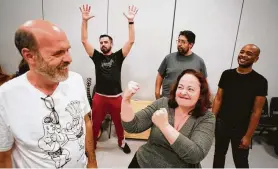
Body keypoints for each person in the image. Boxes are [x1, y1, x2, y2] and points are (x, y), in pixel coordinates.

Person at [0, 19, 97, 168]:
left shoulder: (75, 80)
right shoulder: (6, 96)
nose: (69, 59)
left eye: (67, 50)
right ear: (30, 56)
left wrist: (91, 162)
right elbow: (3, 155)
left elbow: (86, 122)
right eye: (58, 53)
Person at [121, 69, 215, 168]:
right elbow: (132, 126)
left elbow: (195, 155)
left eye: (190, 89)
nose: (183, 92)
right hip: (144, 163)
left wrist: (165, 126)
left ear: (200, 94)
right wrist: (126, 100)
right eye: (180, 87)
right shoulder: (163, 103)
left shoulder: (207, 118)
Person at [80, 4, 138, 154]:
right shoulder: (97, 57)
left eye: (106, 42)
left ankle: (121, 142)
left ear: (111, 44)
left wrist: (131, 21)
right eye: (101, 42)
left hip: (116, 97)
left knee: (119, 123)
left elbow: (131, 41)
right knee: (94, 124)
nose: (103, 44)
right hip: (99, 97)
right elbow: (84, 41)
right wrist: (84, 21)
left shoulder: (118, 56)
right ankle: (92, 145)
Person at [212, 44, 268, 168]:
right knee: (218, 155)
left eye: (249, 53)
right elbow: (218, 99)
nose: (243, 55)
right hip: (222, 124)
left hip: (242, 128)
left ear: (256, 59)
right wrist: (212, 120)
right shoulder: (227, 74)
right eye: (242, 51)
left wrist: (248, 136)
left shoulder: (260, 81)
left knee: (241, 161)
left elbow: (256, 111)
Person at [155, 30, 207, 99]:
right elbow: (160, 76)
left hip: (187, 102)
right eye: (178, 41)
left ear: (191, 45)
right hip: (167, 101)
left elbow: (204, 83)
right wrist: (157, 93)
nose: (179, 44)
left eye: (183, 42)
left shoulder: (199, 61)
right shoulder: (169, 58)